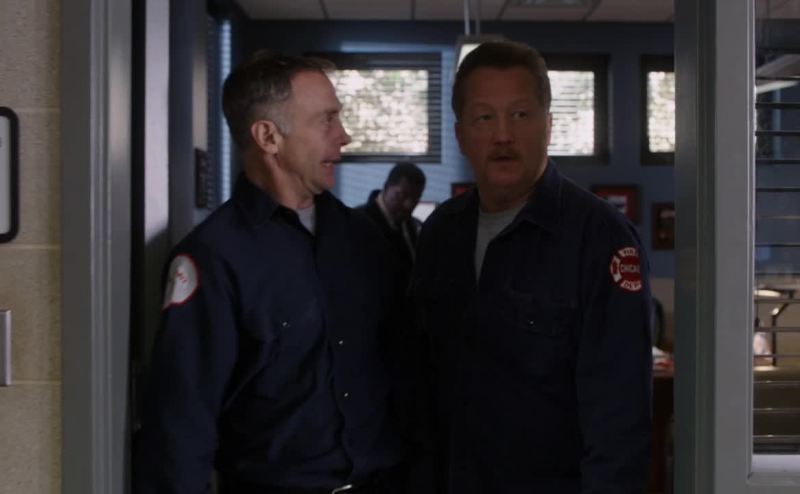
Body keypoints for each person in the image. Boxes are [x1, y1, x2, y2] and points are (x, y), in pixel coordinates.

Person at [134, 50, 411, 494]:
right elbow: (181, 426)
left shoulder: (363, 241)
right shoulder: (213, 258)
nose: (344, 136)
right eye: (326, 120)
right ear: (268, 136)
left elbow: (407, 372)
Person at [411, 41, 653, 493]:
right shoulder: (441, 232)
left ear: (549, 126)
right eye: (484, 118)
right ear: (461, 135)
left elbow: (620, 420)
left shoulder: (600, 237)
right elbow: (423, 385)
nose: (503, 135)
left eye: (520, 114)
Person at [356, 163, 426, 282]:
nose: (409, 205)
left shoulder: (413, 225)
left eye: (416, 199)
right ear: (386, 187)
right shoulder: (357, 224)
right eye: (402, 195)